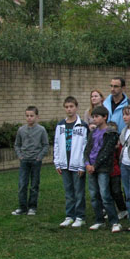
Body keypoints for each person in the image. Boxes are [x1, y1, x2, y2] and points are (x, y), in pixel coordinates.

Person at [84, 106, 122, 233]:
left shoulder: (111, 133)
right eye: (93, 117)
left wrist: (96, 165)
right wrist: (87, 163)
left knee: (105, 194)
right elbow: (87, 149)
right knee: (94, 195)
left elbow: (106, 152)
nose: (94, 119)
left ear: (105, 117)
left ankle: (114, 221)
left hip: (103, 168)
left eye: (97, 117)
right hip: (91, 167)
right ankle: (99, 220)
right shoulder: (93, 132)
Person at [54, 96, 88, 228]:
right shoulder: (60, 125)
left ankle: (80, 216)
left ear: (76, 107)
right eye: (67, 107)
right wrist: (57, 162)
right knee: (68, 192)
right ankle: (69, 216)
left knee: (79, 192)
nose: (69, 109)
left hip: (77, 164)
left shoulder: (83, 125)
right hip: (64, 163)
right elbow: (56, 143)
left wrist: (82, 165)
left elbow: (85, 146)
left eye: (71, 106)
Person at [12, 106, 49, 216]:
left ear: (37, 116)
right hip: (24, 161)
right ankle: (22, 207)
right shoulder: (21, 130)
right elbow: (17, 145)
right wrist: (20, 156)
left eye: (31, 116)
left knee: (34, 185)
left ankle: (32, 207)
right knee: (22, 184)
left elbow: (45, 145)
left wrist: (39, 157)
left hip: (36, 161)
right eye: (27, 116)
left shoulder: (41, 130)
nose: (29, 118)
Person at [107, 121, 128, 220]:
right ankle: (111, 210)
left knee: (117, 191)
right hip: (106, 171)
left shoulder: (118, 144)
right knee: (108, 192)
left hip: (115, 171)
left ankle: (123, 209)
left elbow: (121, 156)